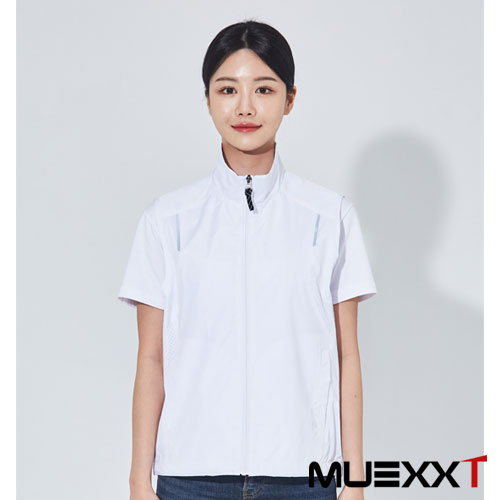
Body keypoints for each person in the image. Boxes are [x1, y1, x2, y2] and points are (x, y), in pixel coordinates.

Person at [119, 19, 377, 500]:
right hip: (190, 479)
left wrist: (355, 480)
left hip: (302, 478)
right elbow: (151, 357)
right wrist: (138, 480)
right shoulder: (166, 220)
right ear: (207, 99)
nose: (244, 107)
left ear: (290, 99)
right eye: (226, 89)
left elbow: (347, 356)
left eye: (263, 88)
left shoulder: (331, 217)